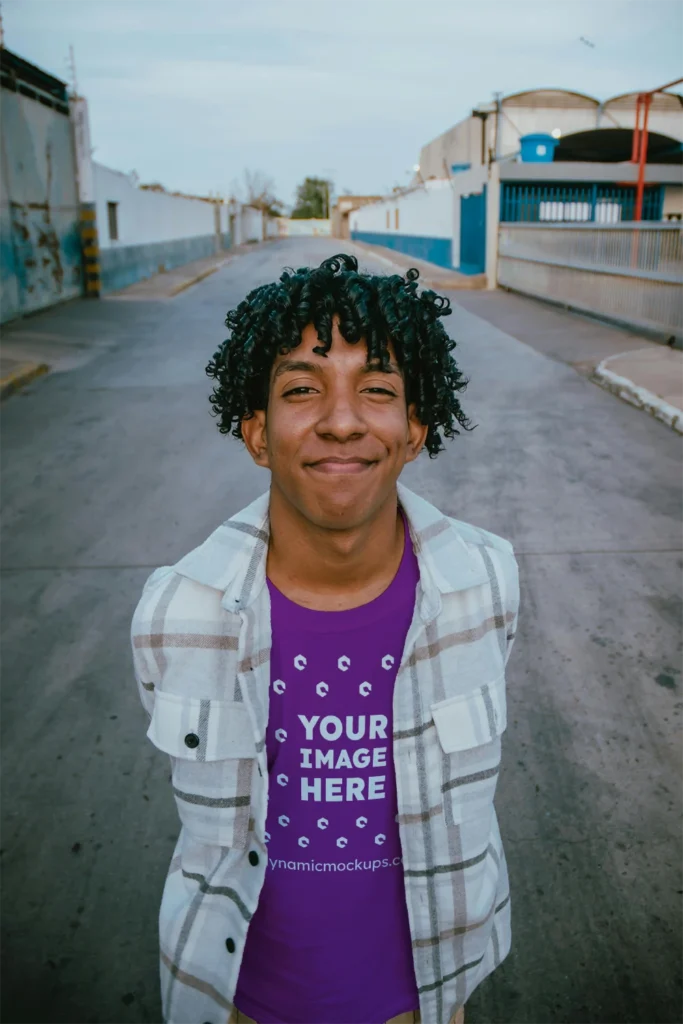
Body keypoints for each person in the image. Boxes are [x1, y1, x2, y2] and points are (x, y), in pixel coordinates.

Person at [131, 253, 519, 1024]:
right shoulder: (178, 612)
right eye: (301, 389)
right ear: (256, 433)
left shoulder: (485, 581)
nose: (341, 420)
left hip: (426, 999)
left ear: (414, 429)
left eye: (376, 389)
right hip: (237, 1002)